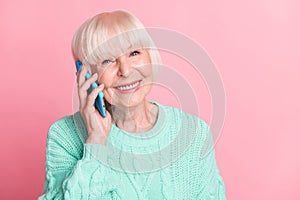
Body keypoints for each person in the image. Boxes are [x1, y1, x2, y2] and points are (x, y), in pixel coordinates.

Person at [39, 10, 226, 199]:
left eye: (134, 53)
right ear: (85, 76)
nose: (126, 70)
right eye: (107, 61)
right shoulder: (64, 136)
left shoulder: (193, 133)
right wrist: (96, 141)